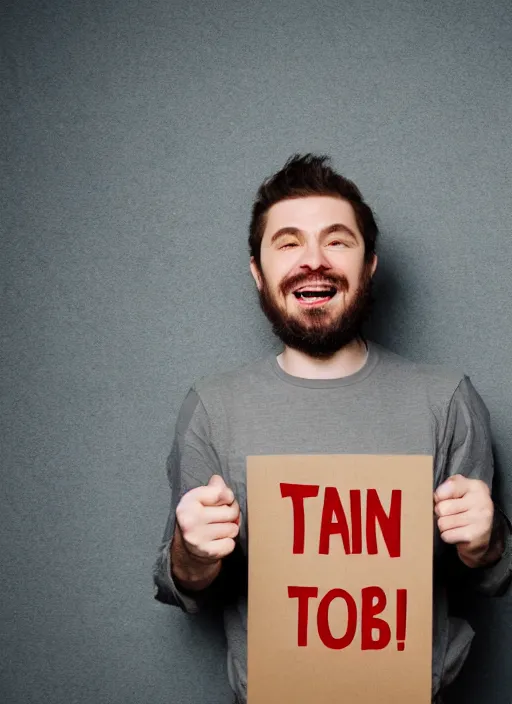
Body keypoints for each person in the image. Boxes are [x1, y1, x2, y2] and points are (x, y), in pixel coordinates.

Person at [153, 154, 512, 703]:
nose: (313, 260)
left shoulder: (447, 400)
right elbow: (186, 586)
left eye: (337, 241)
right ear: (258, 270)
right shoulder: (213, 407)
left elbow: (491, 579)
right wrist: (192, 552)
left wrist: (487, 542)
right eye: (289, 242)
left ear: (368, 266)